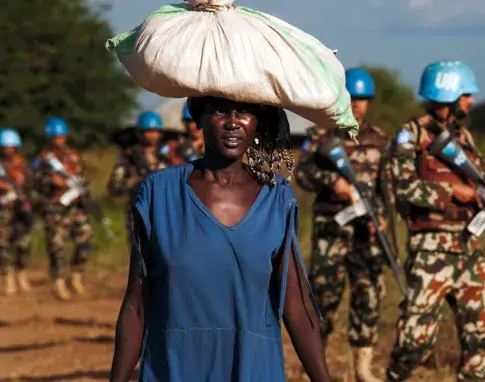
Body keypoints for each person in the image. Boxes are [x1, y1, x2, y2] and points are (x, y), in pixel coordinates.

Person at [109, 96, 332, 382]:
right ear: (197, 117)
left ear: (258, 122)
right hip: (176, 368)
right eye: (219, 111)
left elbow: (296, 304)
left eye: (245, 113)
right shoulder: (159, 193)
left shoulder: (277, 199)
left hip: (253, 370)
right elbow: (137, 303)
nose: (232, 122)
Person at [384, 60, 485, 381]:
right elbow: (401, 187)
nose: (471, 101)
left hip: (467, 250)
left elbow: (481, 194)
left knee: (482, 337)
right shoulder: (411, 135)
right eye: (466, 94)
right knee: (415, 343)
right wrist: (450, 190)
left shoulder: (464, 138)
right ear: (448, 93)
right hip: (429, 251)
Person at [295, 67, 389, 382]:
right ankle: (314, 369)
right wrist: (331, 180)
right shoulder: (321, 135)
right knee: (324, 298)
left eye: (363, 99)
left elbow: (386, 187)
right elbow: (303, 174)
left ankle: (362, 369)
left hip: (367, 232)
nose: (358, 104)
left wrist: (383, 221)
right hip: (331, 229)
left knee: (368, 296)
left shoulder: (380, 140)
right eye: (353, 98)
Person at [34, 117, 93, 300]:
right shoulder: (43, 160)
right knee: (57, 245)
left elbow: (83, 178)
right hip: (55, 208)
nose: (59, 140)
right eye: (55, 137)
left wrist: (81, 190)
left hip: (75, 207)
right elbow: (35, 183)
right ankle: (58, 282)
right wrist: (51, 182)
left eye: (62, 136)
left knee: (85, 236)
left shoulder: (73, 156)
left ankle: (76, 276)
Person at [107, 111, 167, 247]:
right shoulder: (129, 156)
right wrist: (136, 182)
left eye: (155, 131)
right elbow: (114, 188)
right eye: (148, 131)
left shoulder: (167, 154)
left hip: (165, 213)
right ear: (139, 133)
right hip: (139, 212)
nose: (152, 135)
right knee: (140, 258)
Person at [0, 128, 34, 295]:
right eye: (5, 146)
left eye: (11, 146)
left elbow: (30, 186)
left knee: (23, 244)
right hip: (3, 210)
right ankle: (8, 279)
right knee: (3, 244)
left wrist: (28, 202)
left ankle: (22, 275)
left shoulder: (23, 165)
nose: (9, 149)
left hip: (22, 209)